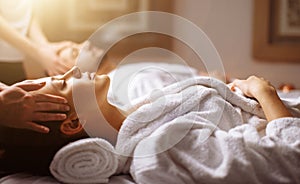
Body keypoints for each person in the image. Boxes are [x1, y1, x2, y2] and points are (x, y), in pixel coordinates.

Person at [0, 65, 294, 175]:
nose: (73, 69)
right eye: (63, 83)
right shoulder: (159, 145)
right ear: (73, 123)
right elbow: (290, 156)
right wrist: (265, 93)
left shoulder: (147, 109)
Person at [0, 0, 77, 85]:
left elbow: (26, 11)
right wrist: (38, 51)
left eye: (76, 52)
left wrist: (43, 46)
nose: (72, 44)